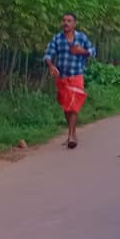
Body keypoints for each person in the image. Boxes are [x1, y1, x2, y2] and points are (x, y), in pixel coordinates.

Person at [44, 12, 97, 149]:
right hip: (62, 77)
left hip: (76, 75)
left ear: (74, 24)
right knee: (66, 106)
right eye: (64, 20)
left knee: (73, 105)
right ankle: (72, 131)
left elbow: (92, 51)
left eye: (69, 21)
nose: (66, 23)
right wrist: (51, 66)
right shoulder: (57, 38)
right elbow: (48, 54)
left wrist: (82, 52)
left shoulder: (81, 37)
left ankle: (71, 136)